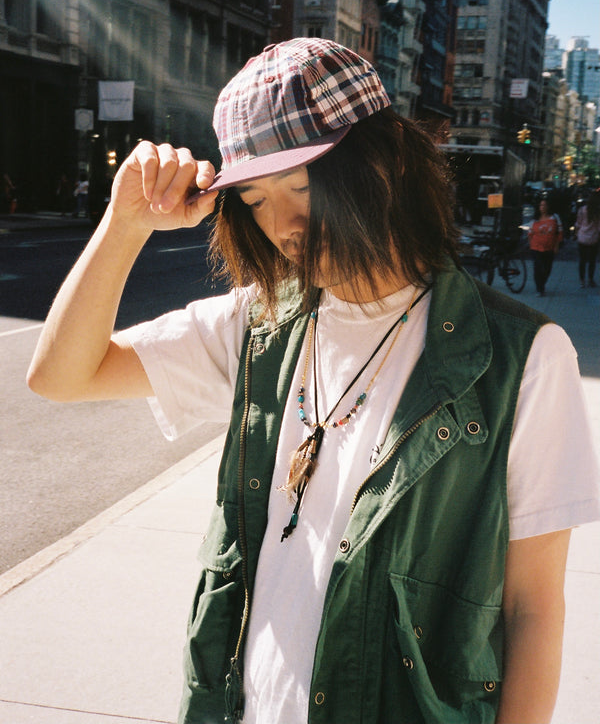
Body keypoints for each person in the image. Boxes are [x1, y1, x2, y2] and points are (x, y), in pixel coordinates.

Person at [27, 39, 599, 724]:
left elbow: (532, 606)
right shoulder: (257, 325)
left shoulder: (520, 358)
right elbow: (62, 376)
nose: (285, 226)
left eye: (303, 185)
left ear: (383, 164)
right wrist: (124, 226)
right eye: (255, 199)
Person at [528, 196, 563, 296]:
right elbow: (530, 234)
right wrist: (531, 244)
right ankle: (540, 288)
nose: (542, 207)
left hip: (549, 248)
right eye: (541, 205)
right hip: (536, 247)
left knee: (547, 268)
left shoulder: (554, 218)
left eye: (544, 205)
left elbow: (559, 233)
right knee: (538, 268)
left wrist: (556, 246)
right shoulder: (535, 220)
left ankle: (542, 284)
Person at [574, 189, 600, 288]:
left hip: (582, 237)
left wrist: (576, 233)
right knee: (592, 260)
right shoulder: (598, 212)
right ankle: (590, 279)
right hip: (594, 238)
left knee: (582, 260)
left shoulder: (582, 210)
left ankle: (582, 280)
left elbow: (578, 223)